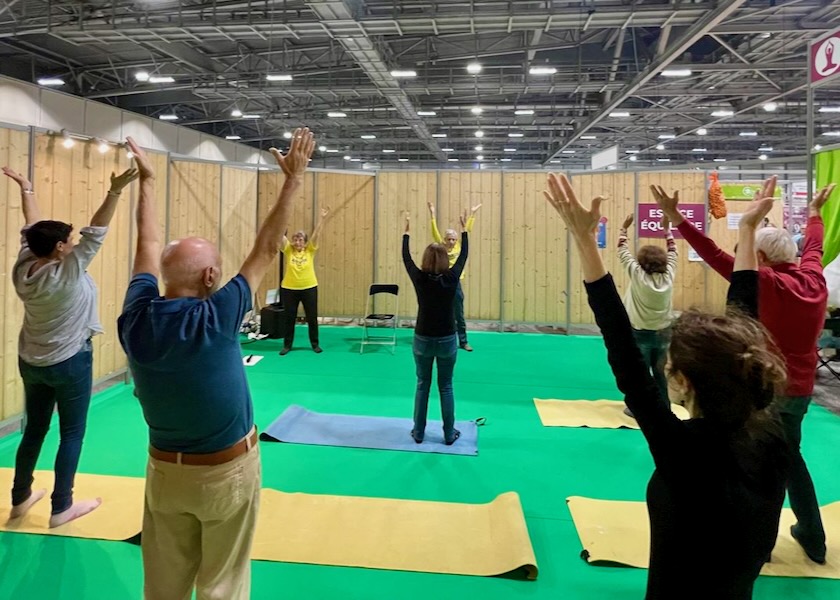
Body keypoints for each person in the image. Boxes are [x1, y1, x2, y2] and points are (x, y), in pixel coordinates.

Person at [545, 173, 790, 599]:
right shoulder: (771, 437)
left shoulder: (684, 451)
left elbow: (621, 345)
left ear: (682, 383)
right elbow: (744, 322)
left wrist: (586, 241)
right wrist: (748, 231)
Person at [117, 129, 315, 599]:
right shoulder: (215, 315)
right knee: (221, 586)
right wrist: (292, 182)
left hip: (164, 472)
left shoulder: (136, 318)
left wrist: (147, 184)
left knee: (163, 587)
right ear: (210, 276)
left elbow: (147, 247)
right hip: (225, 473)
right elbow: (267, 251)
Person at [653, 180, 836, 565]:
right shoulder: (814, 278)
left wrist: (676, 219)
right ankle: (812, 536)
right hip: (801, 391)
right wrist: (816, 214)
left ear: (763, 257)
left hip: (765, 389)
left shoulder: (766, 283)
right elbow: (815, 246)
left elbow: (712, 253)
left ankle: (763, 544)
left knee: (760, 466)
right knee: (788, 459)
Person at [4, 165, 138, 527]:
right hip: (70, 361)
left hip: (31, 361)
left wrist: (27, 189)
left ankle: (19, 500)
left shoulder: (25, 263)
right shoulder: (67, 270)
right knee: (72, 433)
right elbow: (96, 232)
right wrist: (114, 192)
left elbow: (34, 230)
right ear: (61, 248)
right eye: (68, 239)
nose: (73, 241)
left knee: (33, 431)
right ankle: (61, 507)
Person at [403, 211, 469, 445]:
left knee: (422, 385)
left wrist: (406, 233)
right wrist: (464, 231)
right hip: (447, 339)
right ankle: (449, 434)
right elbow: (463, 257)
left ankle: (419, 432)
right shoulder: (451, 278)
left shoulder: (419, 278)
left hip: (422, 339)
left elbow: (406, 259)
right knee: (446, 387)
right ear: (444, 260)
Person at [617, 213, 677, 415]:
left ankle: (639, 410)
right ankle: (665, 408)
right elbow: (673, 250)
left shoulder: (637, 275)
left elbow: (622, 250)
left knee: (639, 375)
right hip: (663, 334)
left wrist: (624, 228)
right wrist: (667, 229)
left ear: (641, 262)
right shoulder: (669, 276)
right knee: (660, 374)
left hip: (640, 334)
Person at [427, 201, 480, 351]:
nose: (451, 241)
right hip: (440, 282)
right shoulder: (440, 245)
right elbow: (434, 231)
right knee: (438, 311)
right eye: (448, 239)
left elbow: (467, 230)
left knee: (459, 312)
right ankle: (436, 339)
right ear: (444, 239)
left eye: (453, 239)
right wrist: (432, 213)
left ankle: (463, 341)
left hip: (455, 283)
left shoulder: (459, 246)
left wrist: (473, 214)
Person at [278, 206, 330, 355]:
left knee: (312, 318)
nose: (297, 241)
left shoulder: (310, 250)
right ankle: (287, 345)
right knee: (289, 318)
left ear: (305, 242)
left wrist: (322, 218)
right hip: (289, 289)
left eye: (300, 239)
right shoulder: (288, 250)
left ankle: (315, 344)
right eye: (295, 239)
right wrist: (276, 216)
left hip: (309, 288)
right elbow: (281, 235)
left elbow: (316, 234)